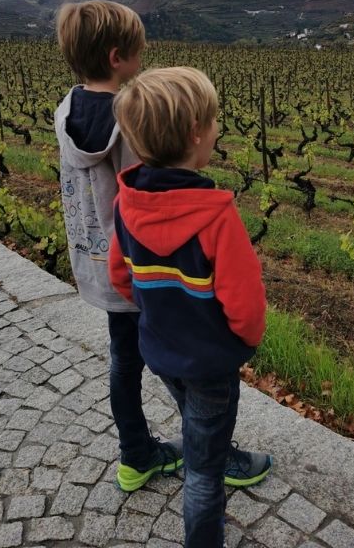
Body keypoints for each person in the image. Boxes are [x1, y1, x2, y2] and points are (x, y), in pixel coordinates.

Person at [109, 66, 272, 548]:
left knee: (193, 413)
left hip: (160, 352)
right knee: (204, 472)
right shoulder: (216, 215)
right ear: (196, 134)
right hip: (211, 360)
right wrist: (244, 340)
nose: (218, 129)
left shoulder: (126, 203)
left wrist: (156, 315)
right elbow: (245, 301)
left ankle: (200, 435)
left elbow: (121, 276)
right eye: (215, 121)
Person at [53, 0, 183, 491]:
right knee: (174, 356)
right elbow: (142, 198)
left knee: (123, 359)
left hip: (95, 263)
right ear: (116, 57)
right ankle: (213, 444)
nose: (143, 55)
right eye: (138, 50)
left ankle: (135, 453)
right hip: (136, 268)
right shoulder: (128, 120)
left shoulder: (66, 110)